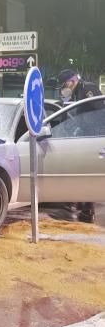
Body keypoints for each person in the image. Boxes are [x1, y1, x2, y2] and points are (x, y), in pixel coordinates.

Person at [58, 68, 102, 223]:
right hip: (85, 136)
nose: (65, 87)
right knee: (81, 171)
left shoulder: (88, 89)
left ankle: (88, 209)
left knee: (87, 173)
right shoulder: (77, 92)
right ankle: (81, 205)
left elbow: (99, 112)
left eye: (65, 84)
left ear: (72, 80)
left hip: (93, 138)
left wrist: (93, 134)